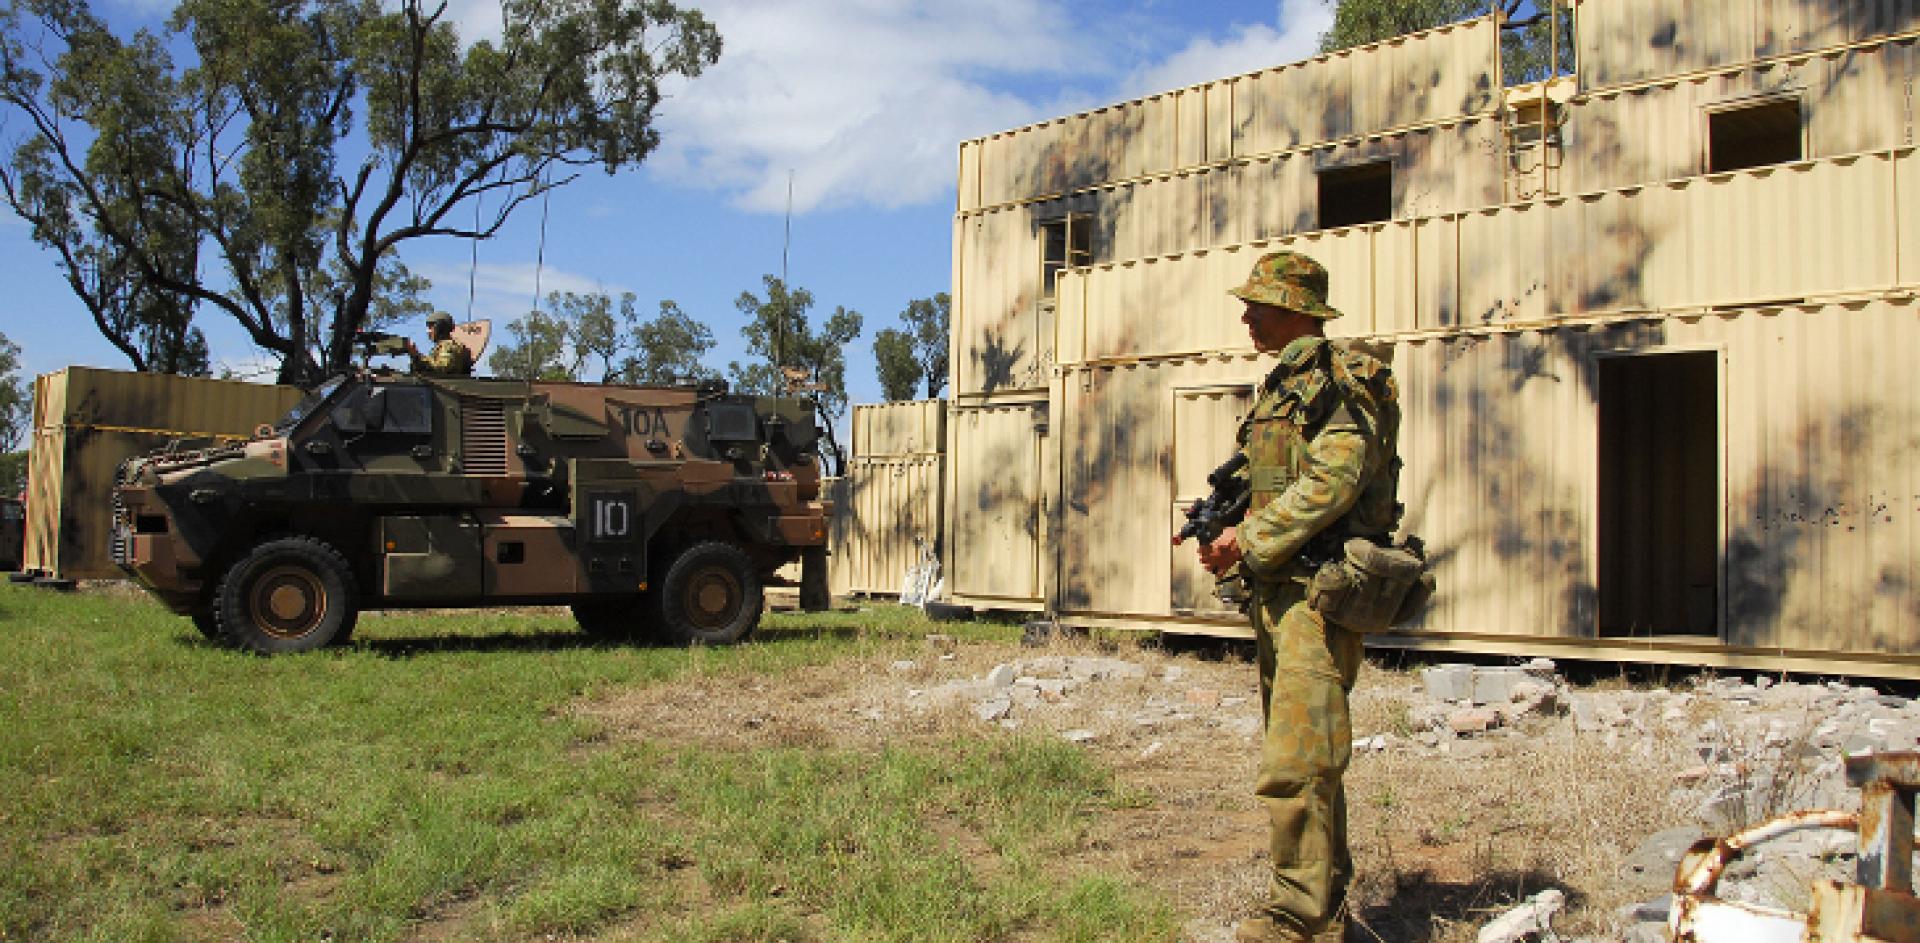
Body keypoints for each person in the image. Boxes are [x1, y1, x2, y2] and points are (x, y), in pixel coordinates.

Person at [1194, 251, 1402, 943]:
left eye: (1260, 303)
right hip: (1278, 595)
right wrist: (1226, 529)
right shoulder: (1282, 388)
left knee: (1297, 763)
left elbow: (1333, 485)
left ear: (1296, 305)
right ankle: (1326, 896)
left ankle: (1293, 919)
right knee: (1308, 762)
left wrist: (1248, 539)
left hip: (1316, 597)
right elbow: (1280, 483)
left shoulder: (1340, 380)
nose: (1247, 315)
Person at [406, 311, 473, 377]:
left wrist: (416, 356)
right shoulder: (440, 348)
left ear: (440, 327)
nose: (428, 331)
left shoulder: (449, 346)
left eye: (430, 327)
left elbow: (441, 369)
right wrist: (415, 357)